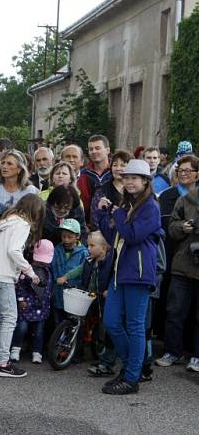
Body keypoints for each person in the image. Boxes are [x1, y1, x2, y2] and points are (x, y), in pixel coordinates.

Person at [95, 159, 162, 395]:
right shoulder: (127, 206)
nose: (130, 181)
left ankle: (132, 377)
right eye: (127, 178)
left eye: (135, 177)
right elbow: (113, 233)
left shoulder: (150, 206)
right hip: (119, 272)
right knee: (111, 322)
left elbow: (133, 235)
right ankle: (133, 366)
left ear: (145, 181)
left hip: (139, 274)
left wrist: (118, 212)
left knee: (134, 326)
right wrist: (104, 213)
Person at [0, 194, 45, 378]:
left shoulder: (8, 221)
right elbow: (13, 250)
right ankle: (3, 362)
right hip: (3, 274)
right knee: (10, 317)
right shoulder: (22, 224)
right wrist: (30, 272)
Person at [156, 182, 199, 371]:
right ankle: (173, 351)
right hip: (183, 265)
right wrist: (183, 227)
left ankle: (197, 356)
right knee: (175, 311)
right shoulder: (187, 199)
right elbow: (171, 227)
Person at [9, 240, 54, 365]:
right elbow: (20, 286)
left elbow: (49, 287)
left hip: (42, 305)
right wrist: (20, 299)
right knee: (21, 328)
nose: (41, 263)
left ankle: (37, 352)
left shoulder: (48, 271)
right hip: (27, 305)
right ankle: (15, 349)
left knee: (39, 331)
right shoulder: (27, 270)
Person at [84, 232, 116, 378]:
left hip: (105, 298)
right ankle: (103, 358)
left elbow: (113, 276)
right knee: (96, 325)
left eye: (92, 245)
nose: (88, 248)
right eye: (88, 245)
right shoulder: (91, 260)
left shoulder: (109, 261)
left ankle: (107, 360)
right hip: (93, 297)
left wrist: (108, 290)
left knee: (108, 328)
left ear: (103, 247)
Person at [51, 219, 90, 323]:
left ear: (77, 236)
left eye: (70, 237)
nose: (66, 240)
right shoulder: (57, 250)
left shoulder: (83, 253)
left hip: (74, 296)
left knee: (72, 323)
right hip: (58, 294)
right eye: (64, 236)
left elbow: (84, 273)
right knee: (57, 323)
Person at [90, 150, 131, 228]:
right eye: (115, 165)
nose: (118, 168)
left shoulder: (134, 190)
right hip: (106, 232)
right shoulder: (102, 190)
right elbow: (95, 217)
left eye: (123, 165)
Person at [78, 135, 112, 223]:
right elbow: (84, 201)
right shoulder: (84, 174)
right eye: (91, 149)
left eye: (97, 148)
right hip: (90, 224)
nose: (94, 151)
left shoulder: (115, 171)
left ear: (107, 150)